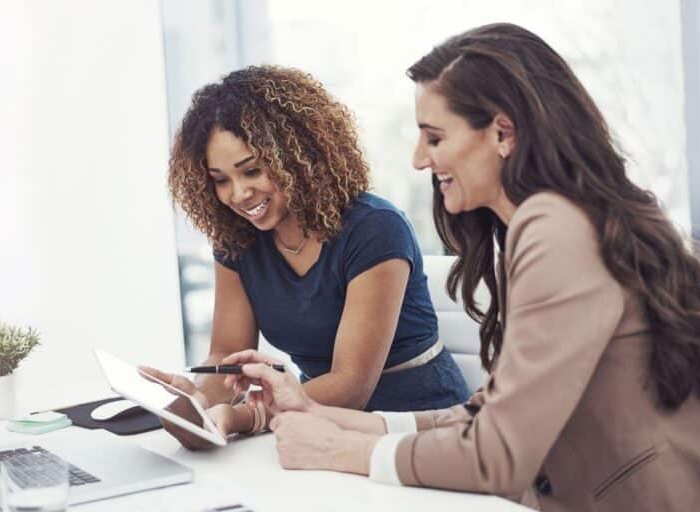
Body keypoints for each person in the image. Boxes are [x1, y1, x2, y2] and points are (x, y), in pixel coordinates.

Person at [207, 24, 700, 511]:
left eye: (434, 137)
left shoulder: (555, 230)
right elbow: (485, 415)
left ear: (502, 132)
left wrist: (341, 452)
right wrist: (325, 418)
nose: (418, 159)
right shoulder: (554, 222)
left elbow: (500, 454)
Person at [151, 65, 469, 448]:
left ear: (296, 155)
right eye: (220, 179)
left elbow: (352, 385)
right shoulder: (237, 240)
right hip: (310, 421)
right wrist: (197, 401)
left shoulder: (375, 228)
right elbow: (225, 356)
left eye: (251, 170)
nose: (238, 193)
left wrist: (244, 416)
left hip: (417, 424)